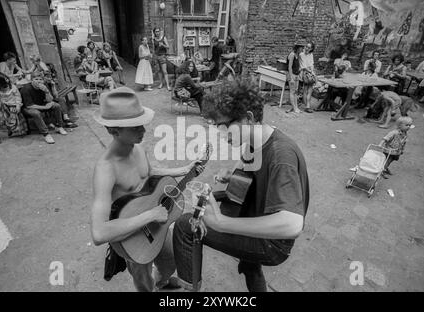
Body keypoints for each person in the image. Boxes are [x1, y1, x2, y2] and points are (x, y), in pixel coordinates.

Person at [173, 78, 309, 292]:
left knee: (184, 226)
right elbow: (248, 162)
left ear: (248, 118)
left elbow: (292, 224)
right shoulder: (260, 138)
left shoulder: (282, 155)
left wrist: (221, 222)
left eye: (224, 126)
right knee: (248, 263)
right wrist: (233, 174)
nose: (221, 133)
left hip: (272, 243)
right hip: (253, 212)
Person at [90, 86, 204, 292]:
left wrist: (185, 169)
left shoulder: (138, 148)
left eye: (141, 124)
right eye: (135, 128)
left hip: (155, 222)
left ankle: (161, 282)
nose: (143, 131)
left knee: (172, 260)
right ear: (113, 130)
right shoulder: (105, 170)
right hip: (133, 236)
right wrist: (150, 214)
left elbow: (149, 172)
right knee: (144, 284)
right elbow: (99, 233)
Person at [20, 71, 68, 144]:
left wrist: (46, 92)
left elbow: (50, 100)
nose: (38, 81)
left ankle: (59, 126)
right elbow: (30, 105)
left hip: (41, 104)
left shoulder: (43, 86)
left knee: (56, 105)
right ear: (31, 80)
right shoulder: (26, 89)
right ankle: (46, 134)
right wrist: (45, 107)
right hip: (28, 108)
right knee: (36, 113)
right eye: (36, 79)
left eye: (40, 79)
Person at [0, 73, 28, 137]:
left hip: (13, 105)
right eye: (5, 79)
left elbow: (17, 96)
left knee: (16, 119)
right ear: (0, 82)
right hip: (4, 107)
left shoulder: (12, 87)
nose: (7, 80)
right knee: (6, 119)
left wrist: (18, 105)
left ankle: (21, 131)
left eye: (7, 78)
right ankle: (10, 130)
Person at [286, 43, 305, 113]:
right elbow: (289, 67)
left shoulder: (298, 55)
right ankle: (294, 108)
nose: (302, 49)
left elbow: (297, 66)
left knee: (296, 92)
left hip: (296, 75)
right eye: (301, 48)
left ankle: (296, 107)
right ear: (297, 48)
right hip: (292, 75)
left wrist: (300, 71)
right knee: (292, 91)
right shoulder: (292, 55)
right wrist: (291, 78)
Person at [299, 42, 316, 113]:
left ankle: (307, 106)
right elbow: (303, 66)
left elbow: (311, 64)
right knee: (305, 89)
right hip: (304, 73)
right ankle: (307, 106)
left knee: (310, 90)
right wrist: (310, 71)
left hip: (310, 73)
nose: (306, 48)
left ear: (311, 49)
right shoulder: (301, 55)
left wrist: (312, 71)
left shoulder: (311, 54)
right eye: (306, 46)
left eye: (309, 47)